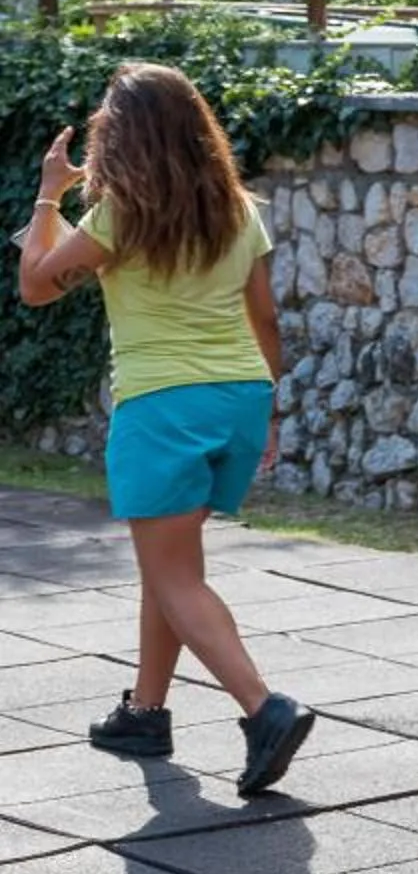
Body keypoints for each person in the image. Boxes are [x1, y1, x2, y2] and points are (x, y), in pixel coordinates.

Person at [15, 62, 315, 795]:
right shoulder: (241, 210)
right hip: (239, 398)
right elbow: (266, 320)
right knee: (170, 560)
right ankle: (146, 711)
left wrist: (50, 192)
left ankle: (265, 708)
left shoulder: (121, 216)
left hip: (164, 406)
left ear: (123, 138)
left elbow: (35, 287)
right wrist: (268, 411)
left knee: (174, 571)